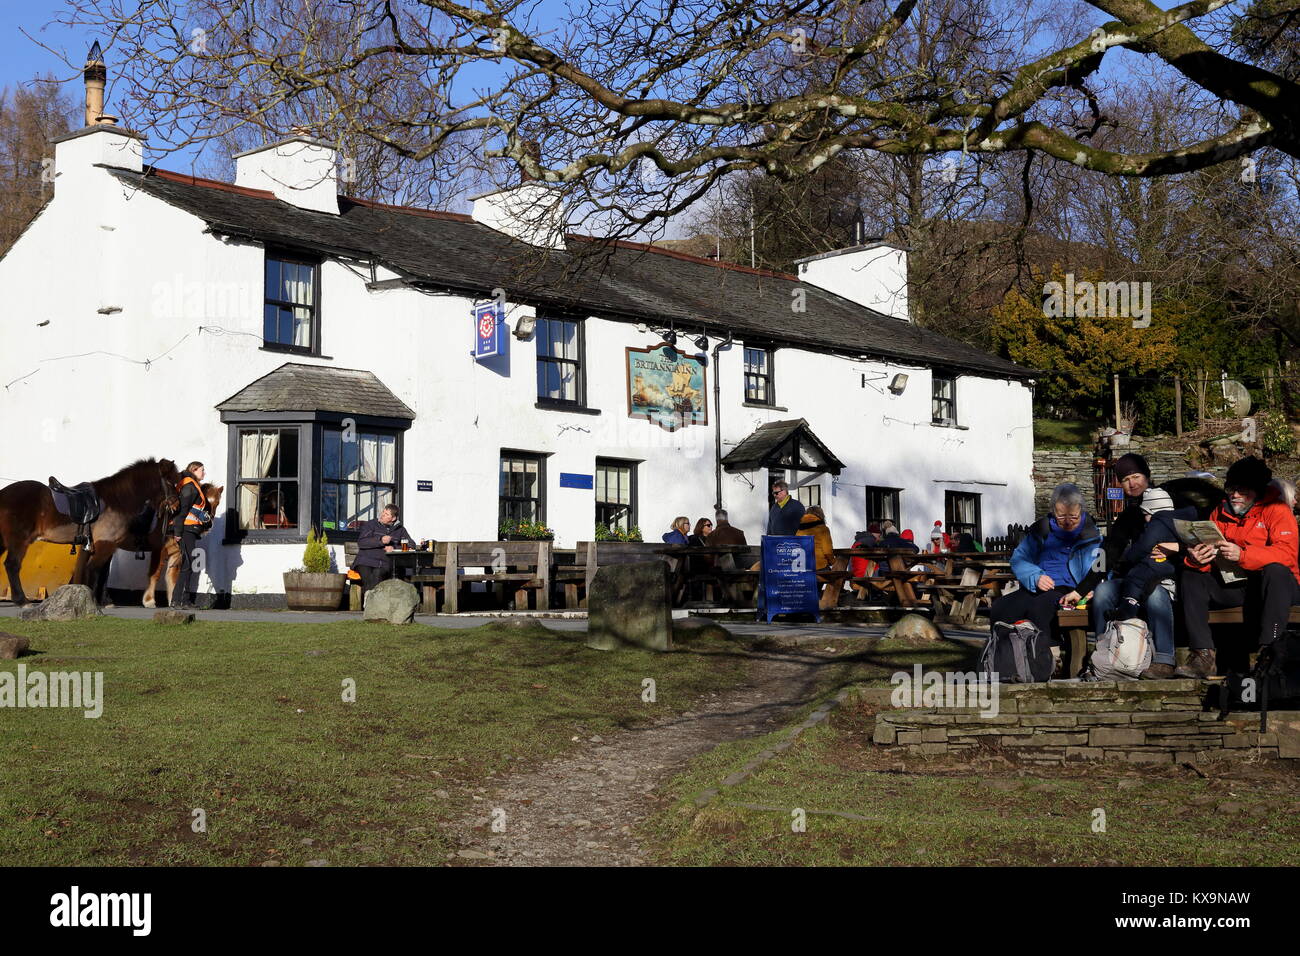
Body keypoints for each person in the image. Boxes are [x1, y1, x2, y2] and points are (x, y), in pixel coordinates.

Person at [1176, 456, 1300, 678]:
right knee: (1191, 574)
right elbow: (1208, 555)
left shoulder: (1277, 510)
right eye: (1232, 489)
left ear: (1258, 490)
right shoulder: (1219, 512)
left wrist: (1242, 555)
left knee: (1276, 570)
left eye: (1243, 490)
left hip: (1275, 587)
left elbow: (1286, 555)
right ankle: (1202, 654)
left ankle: (1268, 651)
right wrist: (1197, 558)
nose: (1235, 495)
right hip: (1237, 584)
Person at [991, 482, 1103, 674]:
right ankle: (1002, 657)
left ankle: (1050, 657)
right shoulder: (1040, 531)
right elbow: (1019, 559)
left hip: (1073, 589)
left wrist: (1093, 587)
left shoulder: (1092, 535)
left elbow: (1101, 567)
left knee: (1043, 604)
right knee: (1002, 606)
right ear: (1052, 511)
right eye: (1061, 516)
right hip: (1038, 584)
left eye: (1073, 517)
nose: (1067, 521)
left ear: (1081, 511)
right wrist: (1035, 576)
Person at [170, 461, 213, 610]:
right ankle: (183, 600)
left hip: (190, 529)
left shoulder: (191, 486)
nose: (204, 473)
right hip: (187, 530)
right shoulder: (190, 487)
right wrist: (178, 533)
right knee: (188, 564)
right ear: (194, 470)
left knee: (188, 564)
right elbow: (183, 511)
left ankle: (179, 600)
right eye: (202, 470)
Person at [354, 503, 418, 596]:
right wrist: (380, 540)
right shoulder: (372, 524)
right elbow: (362, 542)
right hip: (365, 561)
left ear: (393, 518)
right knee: (368, 576)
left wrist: (394, 548)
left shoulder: (400, 530)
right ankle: (372, 601)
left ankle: (370, 601)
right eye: (383, 512)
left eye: (386, 514)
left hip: (384, 563)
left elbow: (412, 545)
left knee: (378, 573)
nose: (382, 515)